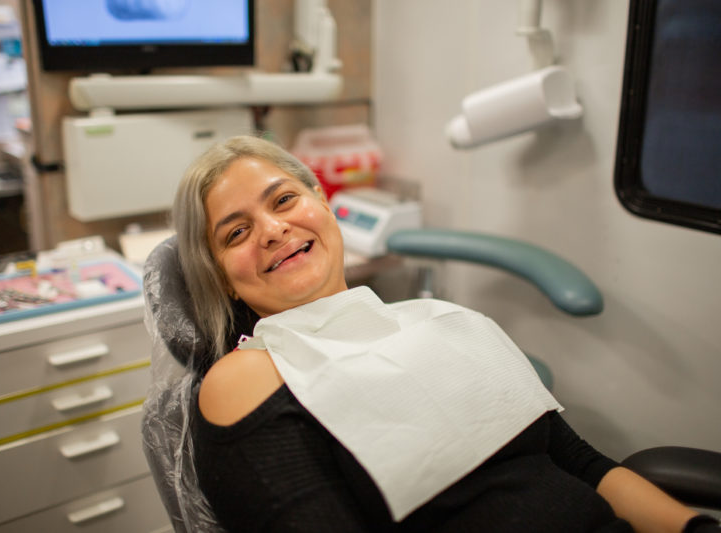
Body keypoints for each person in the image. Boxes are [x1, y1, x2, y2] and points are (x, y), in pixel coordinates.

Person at [170, 135, 715, 533]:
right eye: (236, 232)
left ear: (323, 202)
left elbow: (585, 467)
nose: (272, 230)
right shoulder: (247, 378)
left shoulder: (443, 322)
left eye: (284, 199)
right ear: (222, 278)